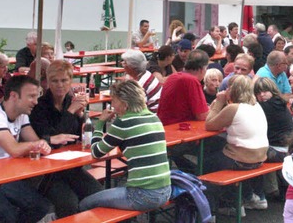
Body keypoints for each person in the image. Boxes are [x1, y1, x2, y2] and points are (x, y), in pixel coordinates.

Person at [0, 75, 65, 223]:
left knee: (41, 207)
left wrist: (43, 144)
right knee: (5, 215)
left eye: (37, 96)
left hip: (1, 176)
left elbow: (34, 142)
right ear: (13, 96)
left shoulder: (21, 114)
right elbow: (14, 149)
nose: (36, 102)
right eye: (31, 96)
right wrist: (40, 144)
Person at [79, 80, 171, 211]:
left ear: (124, 104)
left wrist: (99, 124)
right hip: (166, 191)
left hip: (142, 195)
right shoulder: (154, 118)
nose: (112, 105)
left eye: (114, 101)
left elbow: (96, 152)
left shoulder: (123, 123)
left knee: (85, 204)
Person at [29, 60, 102, 218]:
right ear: (47, 83)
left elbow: (87, 137)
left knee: (97, 194)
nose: (59, 85)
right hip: (47, 172)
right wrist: (70, 112)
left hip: (71, 166)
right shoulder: (39, 107)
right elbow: (51, 139)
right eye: (55, 81)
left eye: (64, 80)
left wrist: (81, 115)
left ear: (71, 81)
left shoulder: (72, 102)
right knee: (68, 203)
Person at [204, 76, 269, 213]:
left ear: (234, 90)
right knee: (219, 148)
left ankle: (221, 208)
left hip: (242, 161)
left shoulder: (233, 108)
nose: (226, 90)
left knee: (207, 164)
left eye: (228, 87)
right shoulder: (256, 106)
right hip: (260, 158)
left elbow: (209, 125)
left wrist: (219, 102)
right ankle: (246, 197)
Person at [158, 49, 210, 125]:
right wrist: (217, 106)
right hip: (176, 129)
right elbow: (202, 116)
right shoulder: (191, 80)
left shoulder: (174, 76)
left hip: (165, 126)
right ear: (202, 69)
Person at [254, 77, 293, 162]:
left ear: (272, 91)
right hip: (289, 149)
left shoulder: (265, 106)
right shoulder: (280, 102)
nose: (261, 95)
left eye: (265, 91)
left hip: (278, 151)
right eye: (258, 93)